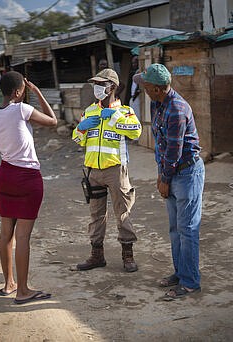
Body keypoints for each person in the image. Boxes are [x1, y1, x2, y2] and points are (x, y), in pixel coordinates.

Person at [0, 71, 57, 305]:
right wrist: (36, 93)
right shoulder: (22, 109)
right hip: (27, 178)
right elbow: (53, 121)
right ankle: (23, 291)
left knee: (6, 233)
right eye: (23, 90)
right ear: (17, 92)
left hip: (4, 178)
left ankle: (9, 284)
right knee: (22, 236)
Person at [134, 64, 205, 299]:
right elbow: (161, 144)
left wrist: (164, 178)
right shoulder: (158, 103)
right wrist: (160, 173)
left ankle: (190, 282)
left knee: (188, 230)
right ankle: (180, 272)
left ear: (157, 88)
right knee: (176, 229)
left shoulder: (176, 108)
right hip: (171, 171)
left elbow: (174, 150)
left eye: (146, 86)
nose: (142, 89)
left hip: (186, 174)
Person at [72, 68, 142, 272]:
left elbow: (136, 132)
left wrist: (115, 117)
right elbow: (77, 139)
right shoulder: (89, 111)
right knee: (96, 215)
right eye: (96, 84)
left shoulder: (126, 111)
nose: (97, 88)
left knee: (123, 213)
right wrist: (81, 127)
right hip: (93, 170)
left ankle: (128, 256)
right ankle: (96, 255)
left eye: (101, 84)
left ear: (113, 87)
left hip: (116, 170)